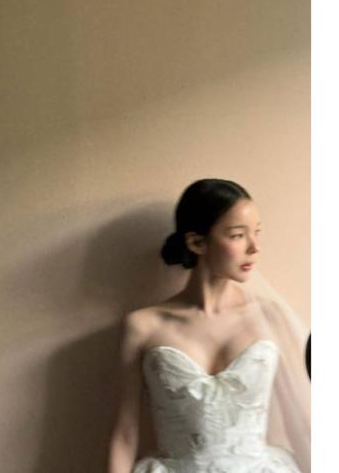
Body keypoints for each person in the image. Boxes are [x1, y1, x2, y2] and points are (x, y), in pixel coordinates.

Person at [107, 179, 311, 473]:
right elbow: (124, 435)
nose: (255, 247)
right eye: (238, 235)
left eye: (257, 232)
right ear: (197, 243)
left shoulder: (270, 316)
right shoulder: (142, 326)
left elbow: (302, 420)